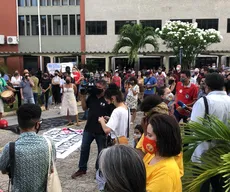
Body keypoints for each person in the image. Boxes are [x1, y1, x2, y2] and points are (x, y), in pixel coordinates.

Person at [0, 104, 56, 192]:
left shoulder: (10, 148)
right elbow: (51, 168)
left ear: (19, 124)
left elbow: (3, 169)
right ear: (37, 125)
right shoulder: (49, 143)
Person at [191, 73, 230, 192]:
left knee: (203, 185)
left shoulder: (203, 102)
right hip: (225, 153)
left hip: (204, 152)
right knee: (222, 186)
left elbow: (194, 127)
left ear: (207, 86)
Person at [71, 80, 114, 179]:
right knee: (84, 148)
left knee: (101, 151)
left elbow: (112, 115)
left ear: (104, 88)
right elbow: (85, 108)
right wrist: (82, 97)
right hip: (89, 128)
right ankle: (82, 168)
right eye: (96, 86)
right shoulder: (92, 97)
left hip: (101, 130)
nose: (96, 88)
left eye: (99, 87)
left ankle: (99, 170)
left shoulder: (107, 99)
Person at [141, 114, 182, 192]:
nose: (146, 138)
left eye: (149, 135)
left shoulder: (166, 173)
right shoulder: (152, 156)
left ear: (162, 139)